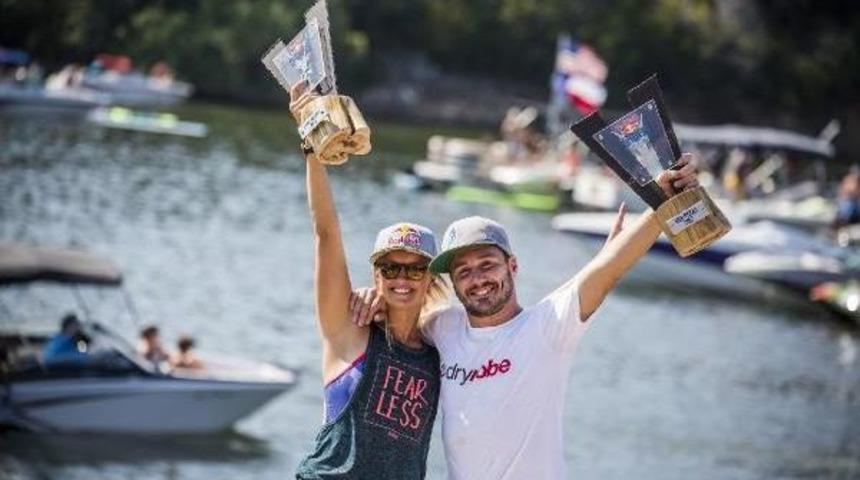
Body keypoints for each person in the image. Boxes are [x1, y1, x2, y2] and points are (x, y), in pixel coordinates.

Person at [352, 154, 700, 479]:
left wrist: (661, 202)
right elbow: (399, 318)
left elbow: (608, 272)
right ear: (453, 283)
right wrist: (375, 298)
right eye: (464, 272)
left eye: (487, 265)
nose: (478, 280)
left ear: (512, 266)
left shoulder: (548, 326)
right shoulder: (442, 327)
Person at [289, 82, 448, 480]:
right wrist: (311, 145)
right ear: (376, 275)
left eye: (414, 269)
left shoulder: (441, 353)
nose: (402, 279)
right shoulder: (349, 330)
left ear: (430, 278)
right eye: (391, 268)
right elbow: (327, 232)